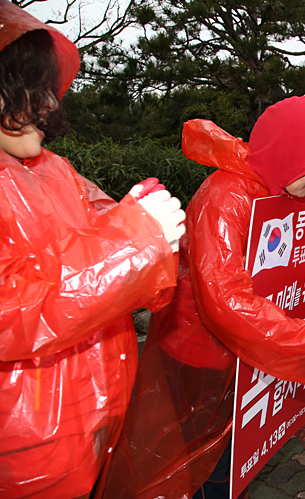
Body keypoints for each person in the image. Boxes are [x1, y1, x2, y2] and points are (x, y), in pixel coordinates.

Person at [100, 96, 305, 499]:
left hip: (250, 348)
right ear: (286, 155)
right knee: (210, 464)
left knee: (235, 457)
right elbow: (225, 300)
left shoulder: (281, 191)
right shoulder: (226, 197)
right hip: (202, 354)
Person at [0, 1, 186, 496]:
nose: (48, 105)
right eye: (26, 87)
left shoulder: (52, 170)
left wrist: (147, 231)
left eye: (46, 88)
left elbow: (101, 221)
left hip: (92, 414)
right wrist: (134, 243)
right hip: (24, 447)